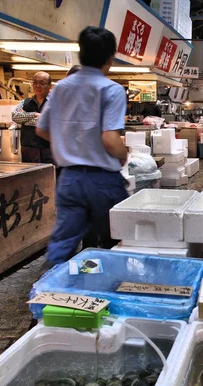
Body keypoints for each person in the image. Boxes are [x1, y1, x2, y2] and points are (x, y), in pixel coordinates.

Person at [36, 26, 129, 266]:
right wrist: (123, 154)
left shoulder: (60, 89)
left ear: (81, 53)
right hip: (103, 181)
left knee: (63, 242)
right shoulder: (111, 89)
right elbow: (110, 139)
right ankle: (110, 292)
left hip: (69, 179)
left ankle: (48, 294)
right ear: (110, 58)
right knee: (117, 241)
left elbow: (41, 129)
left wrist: (70, 142)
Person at [12, 71, 53, 164]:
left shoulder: (55, 103)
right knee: (29, 177)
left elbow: (51, 122)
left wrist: (25, 121)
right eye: (35, 82)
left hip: (47, 149)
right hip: (27, 148)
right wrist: (33, 114)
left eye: (42, 83)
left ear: (49, 86)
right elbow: (15, 117)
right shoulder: (25, 102)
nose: (38, 86)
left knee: (47, 177)